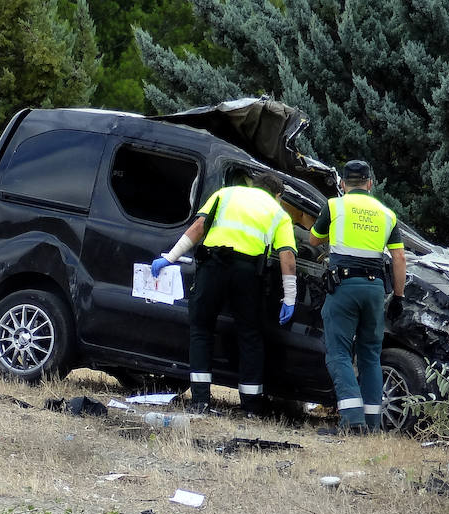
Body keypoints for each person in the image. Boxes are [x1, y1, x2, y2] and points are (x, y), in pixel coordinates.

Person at [150, 171, 297, 416]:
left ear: (254, 185)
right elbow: (288, 256)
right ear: (277, 195)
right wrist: (289, 298)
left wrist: (170, 257)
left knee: (201, 329)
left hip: (213, 266)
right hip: (247, 273)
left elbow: (198, 227)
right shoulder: (278, 213)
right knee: (250, 336)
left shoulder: (225, 194)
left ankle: (200, 402)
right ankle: (250, 407)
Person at [308, 160, 405, 435]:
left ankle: (352, 421)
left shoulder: (334, 205)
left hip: (344, 287)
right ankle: (373, 423)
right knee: (370, 356)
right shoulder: (387, 214)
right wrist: (398, 297)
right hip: (375, 290)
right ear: (370, 184)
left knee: (338, 352)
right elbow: (398, 257)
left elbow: (314, 240)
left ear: (342, 184)